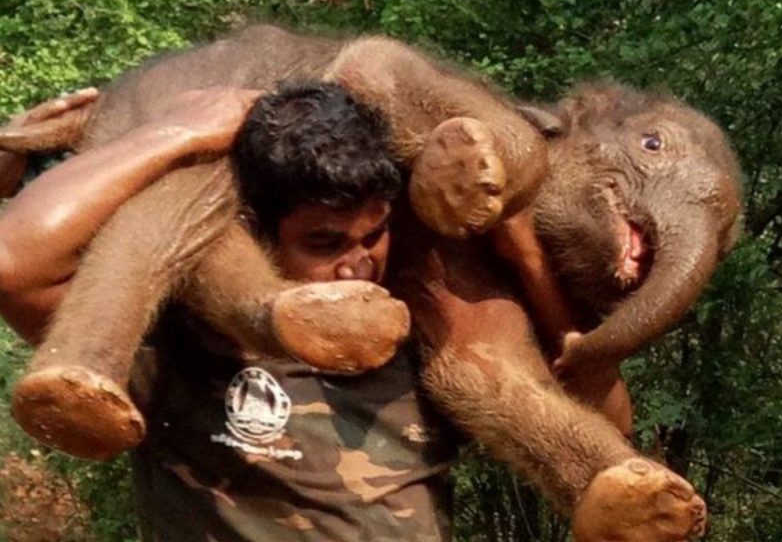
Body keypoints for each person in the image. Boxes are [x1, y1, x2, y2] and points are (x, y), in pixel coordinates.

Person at [0, 81, 457, 541]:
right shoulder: (180, 338)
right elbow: (13, 262)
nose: (358, 265)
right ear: (253, 229)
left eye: (374, 236)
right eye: (325, 243)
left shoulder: (424, 319)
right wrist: (180, 132)